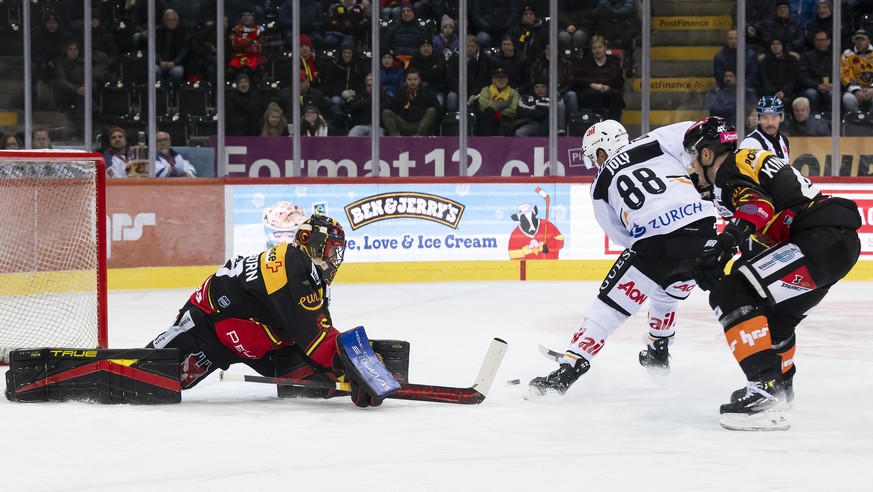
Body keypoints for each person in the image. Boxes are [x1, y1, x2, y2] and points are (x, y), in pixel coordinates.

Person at [682, 116, 861, 431]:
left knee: (730, 293)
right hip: (837, 246)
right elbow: (764, 221)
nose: (692, 168)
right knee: (775, 321)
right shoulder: (748, 160)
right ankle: (782, 389)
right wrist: (732, 254)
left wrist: (723, 245)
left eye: (693, 159)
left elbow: (758, 206)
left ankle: (766, 389)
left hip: (817, 240)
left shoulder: (727, 171)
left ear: (707, 155)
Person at [527, 119, 718, 398]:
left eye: (595, 157)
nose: (596, 163)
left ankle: (569, 369)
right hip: (705, 234)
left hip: (655, 243)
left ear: (602, 153)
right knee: (669, 293)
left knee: (608, 308)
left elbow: (620, 235)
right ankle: (658, 350)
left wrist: (651, 254)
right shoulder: (656, 139)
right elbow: (698, 130)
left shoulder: (599, 185)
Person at [145, 214, 389, 408]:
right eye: (331, 250)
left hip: (255, 343)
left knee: (316, 374)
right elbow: (314, 336)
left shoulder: (313, 278)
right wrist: (357, 365)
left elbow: (319, 328)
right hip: (208, 324)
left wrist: (349, 367)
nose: (335, 258)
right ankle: (127, 364)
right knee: (154, 376)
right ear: (311, 241)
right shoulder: (290, 263)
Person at [565, 35, 625, 120]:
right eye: (594, 48)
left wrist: (607, 86)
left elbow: (618, 78)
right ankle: (597, 125)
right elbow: (577, 79)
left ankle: (614, 125)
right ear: (591, 49)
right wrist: (592, 84)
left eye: (600, 47)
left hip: (609, 90)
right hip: (590, 92)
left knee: (616, 95)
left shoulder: (614, 61)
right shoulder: (584, 62)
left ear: (605, 47)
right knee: (594, 94)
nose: (597, 50)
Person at [380, 67, 440, 136]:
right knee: (386, 113)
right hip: (404, 124)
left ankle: (418, 136)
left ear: (419, 80)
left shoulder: (427, 92)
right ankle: (397, 138)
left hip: (421, 124)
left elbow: (438, 111)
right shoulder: (401, 92)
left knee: (431, 110)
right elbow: (393, 109)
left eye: (415, 79)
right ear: (405, 80)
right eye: (409, 79)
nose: (412, 82)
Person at [740, 96, 790, 161]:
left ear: (781, 118)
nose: (770, 123)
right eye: (765, 118)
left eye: (774, 117)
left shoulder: (784, 140)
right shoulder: (750, 144)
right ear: (758, 119)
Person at [476, 68, 521, 136]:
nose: (500, 79)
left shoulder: (514, 93)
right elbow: (483, 106)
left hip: (505, 121)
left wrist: (496, 112)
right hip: (488, 121)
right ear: (493, 80)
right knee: (488, 111)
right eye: (497, 77)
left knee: (490, 111)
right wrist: (504, 104)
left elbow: (513, 110)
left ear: (507, 80)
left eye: (503, 77)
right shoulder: (486, 90)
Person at [797, 30, 833, 112]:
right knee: (811, 93)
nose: (820, 42)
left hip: (831, 87)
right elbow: (802, 77)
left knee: (834, 95)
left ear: (829, 41)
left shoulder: (835, 56)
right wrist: (818, 86)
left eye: (822, 40)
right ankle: (814, 118)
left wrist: (834, 85)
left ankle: (833, 120)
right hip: (813, 87)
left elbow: (841, 74)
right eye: (817, 40)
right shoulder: (806, 56)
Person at [840, 29, 873, 114]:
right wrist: (856, 90)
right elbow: (846, 74)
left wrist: (872, 89)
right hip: (855, 89)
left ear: (869, 40)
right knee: (848, 99)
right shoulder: (847, 54)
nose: (859, 42)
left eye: (863, 39)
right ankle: (857, 123)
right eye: (857, 39)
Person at [155, 8, 188, 88]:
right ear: (164, 20)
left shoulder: (183, 31)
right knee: (153, 71)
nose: (171, 22)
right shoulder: (158, 31)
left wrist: (175, 62)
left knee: (178, 73)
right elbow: (154, 50)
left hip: (176, 63)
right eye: (168, 20)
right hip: (160, 63)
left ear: (177, 20)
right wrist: (160, 62)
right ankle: (161, 91)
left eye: (173, 19)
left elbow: (184, 51)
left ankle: (171, 92)